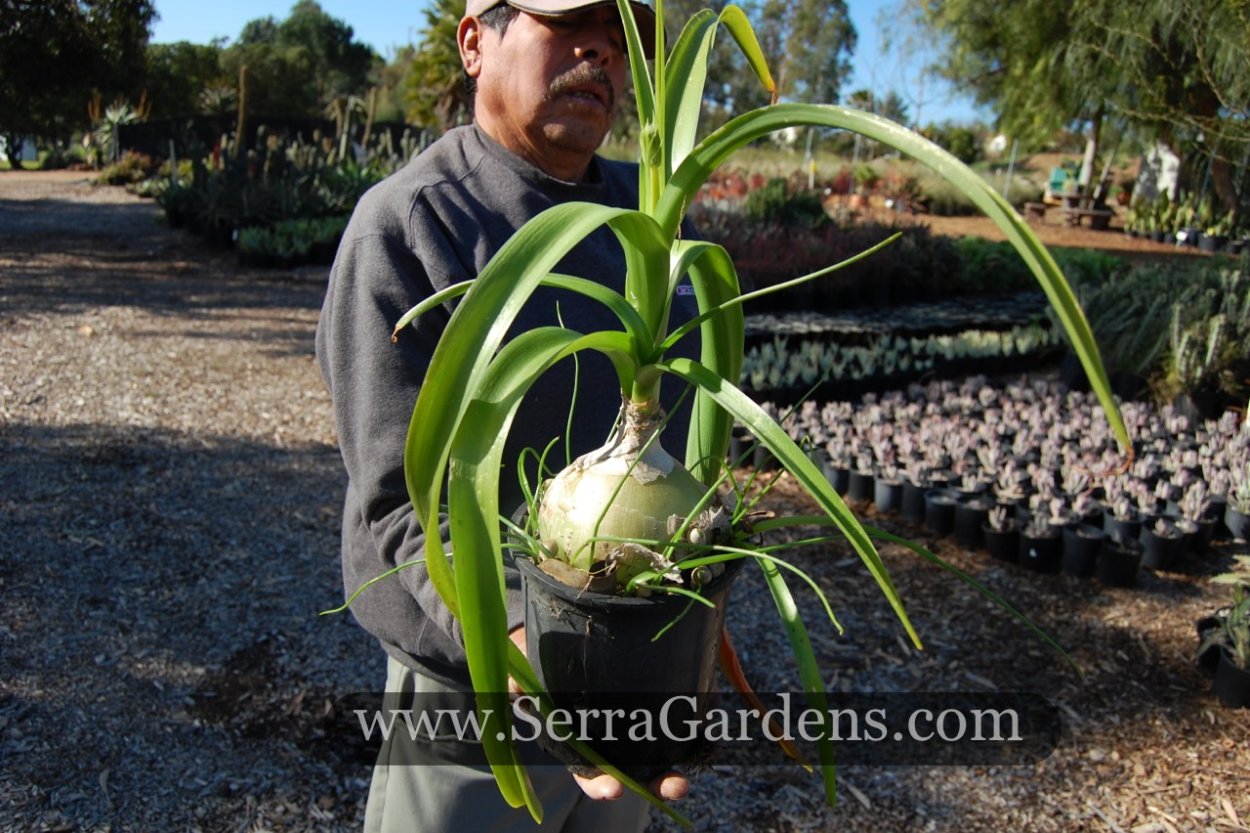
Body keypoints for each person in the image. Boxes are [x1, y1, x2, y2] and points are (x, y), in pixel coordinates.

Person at [315, 1, 693, 830]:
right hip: (473, 686)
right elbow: (403, 502)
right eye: (566, 21)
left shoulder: (657, 229)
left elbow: (689, 453)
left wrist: (694, 611)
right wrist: (527, 646)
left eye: (617, 34)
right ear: (475, 42)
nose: (599, 49)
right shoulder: (413, 223)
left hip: (630, 686)